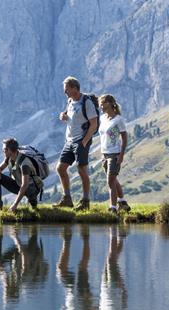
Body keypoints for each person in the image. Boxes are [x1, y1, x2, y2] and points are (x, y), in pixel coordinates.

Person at [54, 76, 98, 211]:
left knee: (81, 170)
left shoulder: (86, 102)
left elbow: (94, 124)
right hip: (70, 140)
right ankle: (67, 199)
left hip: (81, 141)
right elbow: (71, 116)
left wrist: (84, 141)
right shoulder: (70, 101)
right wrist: (64, 116)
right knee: (60, 168)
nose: (64, 92)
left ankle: (85, 201)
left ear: (74, 88)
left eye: (66, 89)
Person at [98, 94, 131, 213]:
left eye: (103, 103)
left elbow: (124, 137)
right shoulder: (102, 118)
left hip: (115, 153)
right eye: (100, 104)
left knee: (110, 181)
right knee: (114, 179)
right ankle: (123, 203)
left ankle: (113, 208)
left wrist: (121, 155)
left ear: (110, 103)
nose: (101, 106)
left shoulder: (119, 120)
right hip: (104, 153)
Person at [0, 138, 43, 212]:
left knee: (28, 189)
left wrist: (14, 205)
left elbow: (24, 185)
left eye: (4, 150)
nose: (3, 151)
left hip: (32, 187)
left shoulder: (24, 164)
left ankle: (34, 206)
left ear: (9, 150)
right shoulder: (9, 158)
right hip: (19, 184)